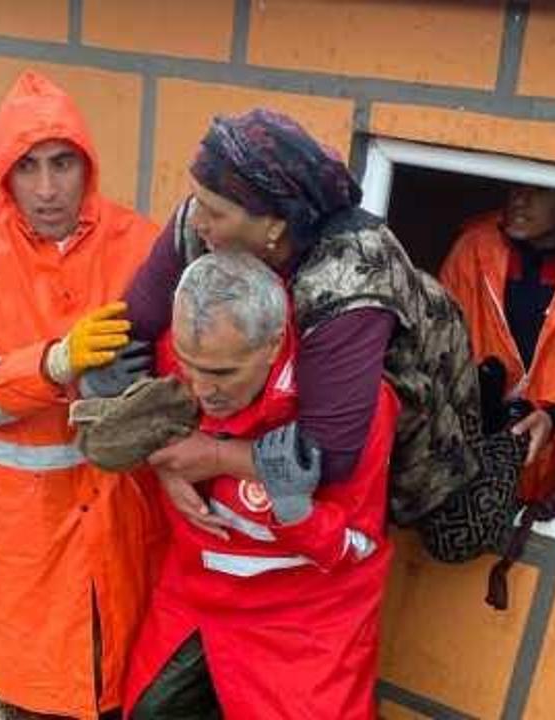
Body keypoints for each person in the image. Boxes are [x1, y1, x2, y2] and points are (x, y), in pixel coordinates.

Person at [120, 108, 484, 540]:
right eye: (197, 199)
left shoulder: (352, 274)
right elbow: (127, 338)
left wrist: (211, 457)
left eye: (214, 211)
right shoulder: (202, 226)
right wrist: (164, 454)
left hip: (407, 440)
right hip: (269, 440)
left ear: (275, 224)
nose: (197, 219)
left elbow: (328, 454)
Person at [0, 71, 161, 719]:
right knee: (35, 694)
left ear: (87, 165)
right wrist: (54, 363)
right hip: (25, 533)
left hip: (125, 519)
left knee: (120, 681)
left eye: (63, 164)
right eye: (28, 168)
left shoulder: (140, 244)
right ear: (5, 174)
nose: (48, 188)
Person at [122, 252, 397, 719]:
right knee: (150, 712)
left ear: (273, 345)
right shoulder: (183, 351)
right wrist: (166, 464)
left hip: (305, 614)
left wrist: (296, 513)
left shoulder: (348, 405)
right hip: (197, 593)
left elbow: (360, 546)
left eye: (223, 373)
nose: (202, 388)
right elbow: (116, 418)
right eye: (190, 365)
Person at [439, 183, 555, 510]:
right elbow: (439, 340)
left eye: (539, 188)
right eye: (515, 185)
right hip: (467, 450)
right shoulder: (474, 248)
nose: (519, 199)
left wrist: (554, 415)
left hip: (553, 469)